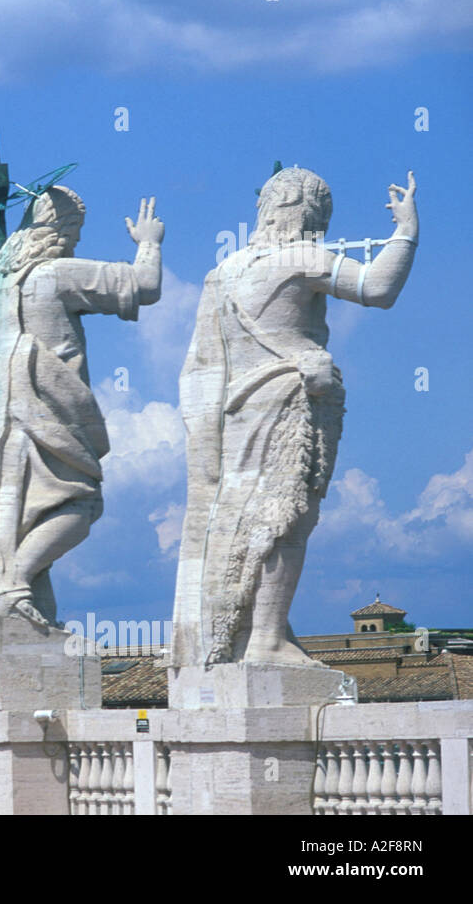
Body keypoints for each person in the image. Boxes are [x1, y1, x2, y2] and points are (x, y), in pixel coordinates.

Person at [171, 168, 418, 668]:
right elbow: (378, 287)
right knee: (289, 517)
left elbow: (199, 366)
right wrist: (407, 231)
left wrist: (203, 442)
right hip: (291, 401)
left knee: (244, 520)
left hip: (235, 411)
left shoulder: (223, 273)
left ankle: (252, 629)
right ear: (311, 213)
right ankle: (265, 640)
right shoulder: (301, 257)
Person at [0, 187, 162, 625]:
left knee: (15, 528)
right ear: (61, 229)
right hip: (45, 418)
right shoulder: (54, 275)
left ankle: (19, 598)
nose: (75, 242)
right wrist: (149, 242)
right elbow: (145, 286)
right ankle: (11, 584)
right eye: (74, 231)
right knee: (81, 503)